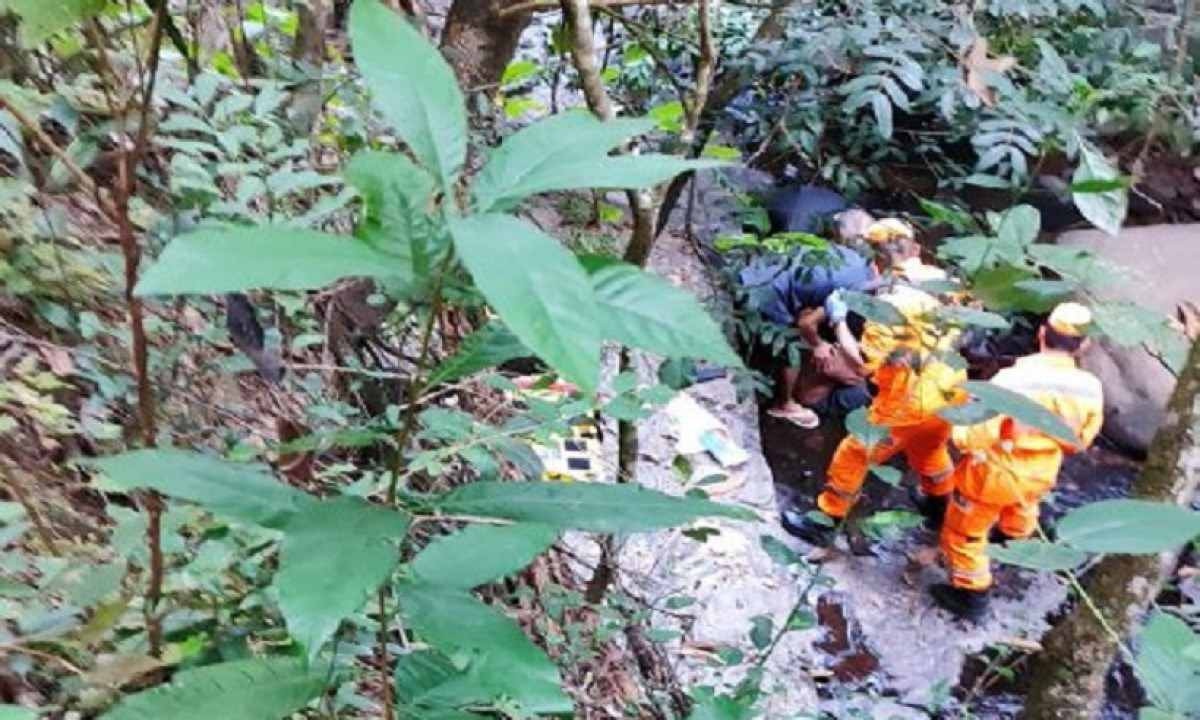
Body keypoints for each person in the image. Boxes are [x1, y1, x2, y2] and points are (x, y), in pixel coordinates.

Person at [931, 302, 1104, 621]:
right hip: (1041, 471)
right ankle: (1013, 541)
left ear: (1041, 334)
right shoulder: (1090, 388)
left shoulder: (1013, 379)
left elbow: (973, 436)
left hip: (995, 473)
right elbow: (1080, 442)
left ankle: (972, 596)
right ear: (1084, 345)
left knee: (963, 534)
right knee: (1022, 506)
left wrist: (958, 435)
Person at [782, 270, 968, 545]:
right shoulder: (934, 300)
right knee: (930, 448)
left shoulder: (887, 314)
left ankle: (826, 520)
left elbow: (861, 364)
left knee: (854, 453)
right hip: (950, 391)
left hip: (908, 402)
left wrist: (839, 321)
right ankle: (939, 507)